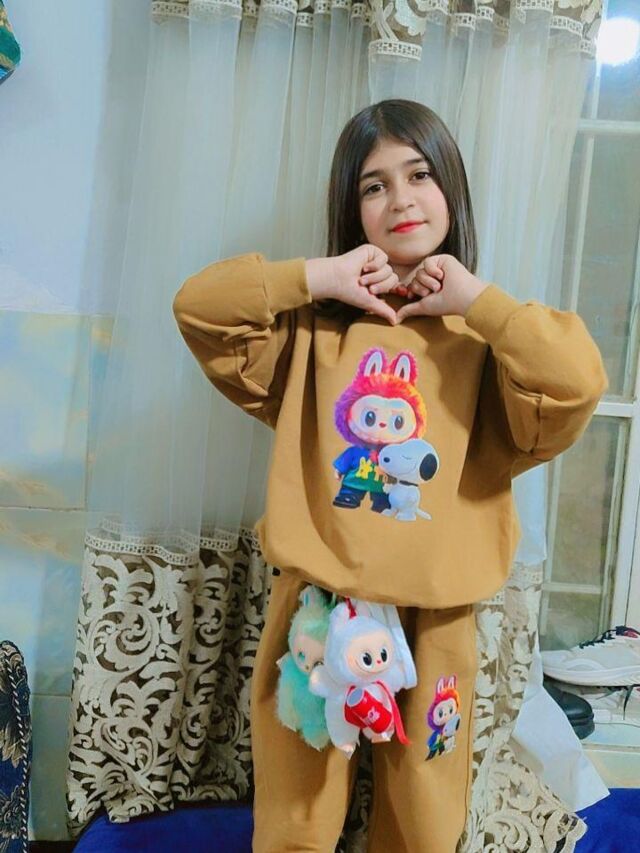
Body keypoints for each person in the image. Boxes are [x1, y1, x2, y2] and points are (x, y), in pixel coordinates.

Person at [173, 99, 607, 853]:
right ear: (353, 210)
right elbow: (200, 308)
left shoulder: (486, 340)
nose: (401, 199)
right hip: (316, 613)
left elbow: (575, 381)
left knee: (425, 819)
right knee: (296, 816)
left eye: (420, 174)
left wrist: (479, 302)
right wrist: (321, 276)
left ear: (451, 190)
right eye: (373, 186)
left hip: (438, 619)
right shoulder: (313, 331)